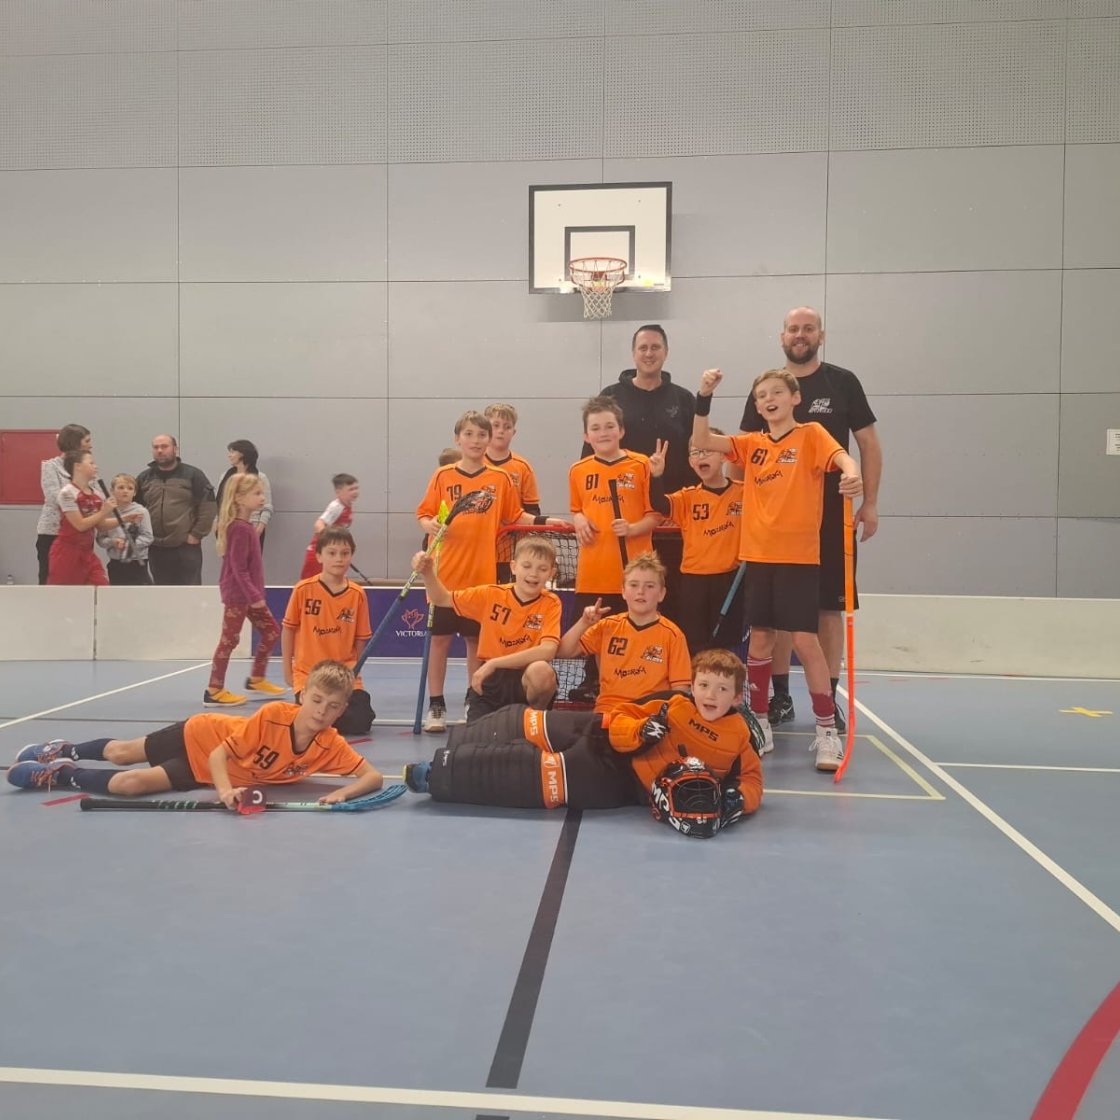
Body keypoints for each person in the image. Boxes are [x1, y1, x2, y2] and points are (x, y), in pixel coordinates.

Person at [402, 649, 762, 838]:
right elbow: (621, 714)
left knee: (533, 774)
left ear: (736, 698)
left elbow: (752, 781)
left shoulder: (739, 738)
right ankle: (461, 740)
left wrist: (737, 800)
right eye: (704, 685)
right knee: (529, 723)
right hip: (604, 739)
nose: (710, 695)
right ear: (693, 685)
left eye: (722, 689)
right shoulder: (674, 704)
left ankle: (437, 775)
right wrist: (638, 731)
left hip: (618, 781)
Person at [694, 367, 862, 771]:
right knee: (761, 640)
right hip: (758, 556)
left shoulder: (811, 435)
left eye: (776, 393)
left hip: (798, 557)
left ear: (795, 398)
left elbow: (843, 458)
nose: (768, 400)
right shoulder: (751, 444)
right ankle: (761, 723)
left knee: (805, 641)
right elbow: (701, 441)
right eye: (761, 396)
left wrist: (852, 474)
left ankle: (826, 731)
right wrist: (704, 396)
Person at [738, 307, 882, 731]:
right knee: (778, 617)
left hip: (832, 515)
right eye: (793, 329)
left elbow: (868, 445)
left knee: (827, 610)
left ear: (821, 335)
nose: (800, 335)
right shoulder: (766, 389)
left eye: (808, 329)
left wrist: (870, 502)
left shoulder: (843, 382)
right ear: (781, 336)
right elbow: (745, 453)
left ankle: (828, 699)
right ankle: (780, 697)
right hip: (779, 523)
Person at [8, 661, 384, 809]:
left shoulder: (331, 743)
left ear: (341, 711)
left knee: (129, 784)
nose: (321, 711)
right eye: (316, 700)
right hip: (202, 737)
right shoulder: (272, 716)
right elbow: (220, 754)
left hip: (206, 772)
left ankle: (60, 774)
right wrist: (225, 793)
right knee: (122, 753)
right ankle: (68, 749)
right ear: (303, 696)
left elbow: (373, 776)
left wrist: (343, 793)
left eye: (332, 707)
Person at [416, 410, 565, 733]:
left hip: (480, 576)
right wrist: (430, 525)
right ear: (458, 439)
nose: (475, 440)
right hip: (445, 574)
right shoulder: (443, 476)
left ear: (489, 439)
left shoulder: (499, 479)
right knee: (440, 641)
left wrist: (545, 521)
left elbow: (516, 515)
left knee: (475, 642)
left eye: (481, 435)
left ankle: (473, 696)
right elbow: (424, 514)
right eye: (469, 434)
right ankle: (436, 704)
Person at [412, 534, 562, 722]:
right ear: (513, 567)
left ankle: (535, 721)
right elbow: (441, 599)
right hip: (491, 680)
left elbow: (548, 650)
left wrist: (494, 663)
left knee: (541, 671)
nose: (533, 574)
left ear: (551, 573)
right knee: (476, 737)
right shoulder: (490, 594)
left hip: (524, 678)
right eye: (527, 566)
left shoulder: (551, 603)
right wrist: (427, 573)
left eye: (542, 569)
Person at [556, 551, 690, 713]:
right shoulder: (607, 626)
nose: (641, 591)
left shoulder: (673, 635)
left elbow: (680, 691)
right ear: (623, 592)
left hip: (648, 715)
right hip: (607, 712)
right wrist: (583, 623)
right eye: (634, 585)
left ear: (661, 594)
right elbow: (563, 652)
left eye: (649, 586)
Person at [569, 396, 662, 621]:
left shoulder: (641, 464)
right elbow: (576, 508)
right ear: (586, 436)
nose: (603, 433)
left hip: (635, 578)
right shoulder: (578, 470)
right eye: (595, 428)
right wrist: (578, 518)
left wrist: (631, 529)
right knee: (590, 639)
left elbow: (655, 515)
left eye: (609, 426)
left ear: (621, 431)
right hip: (593, 575)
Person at [656, 430, 745, 655]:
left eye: (707, 451)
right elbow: (659, 504)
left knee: (726, 648)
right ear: (690, 462)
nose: (701, 457)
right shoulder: (687, 497)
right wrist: (656, 476)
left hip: (730, 581)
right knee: (695, 645)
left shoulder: (744, 493)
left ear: (724, 455)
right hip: (694, 582)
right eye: (695, 453)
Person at [282, 527, 375, 735]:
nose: (339, 559)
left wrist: (354, 675)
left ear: (351, 556)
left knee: (361, 721)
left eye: (345, 553)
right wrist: (288, 671)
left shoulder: (357, 594)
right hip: (309, 675)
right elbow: (288, 630)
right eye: (332, 553)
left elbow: (361, 640)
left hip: (344, 675)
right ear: (319, 556)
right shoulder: (303, 589)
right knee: (311, 717)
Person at [582, 324, 695, 493]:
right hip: (620, 498)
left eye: (655, 347)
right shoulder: (610, 396)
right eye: (643, 348)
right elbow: (591, 450)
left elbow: (696, 451)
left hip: (673, 500)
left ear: (666, 352)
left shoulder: (684, 399)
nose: (649, 353)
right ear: (633, 353)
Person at [204, 473, 284, 707]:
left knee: (271, 630)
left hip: (247, 594)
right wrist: (254, 595)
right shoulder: (239, 528)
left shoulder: (246, 527)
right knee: (229, 640)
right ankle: (214, 690)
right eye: (257, 493)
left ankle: (257, 678)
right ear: (239, 498)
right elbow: (238, 569)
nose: (262, 498)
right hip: (238, 595)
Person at [135, 434, 217, 586]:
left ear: (175, 449)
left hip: (186, 547)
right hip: (156, 548)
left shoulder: (193, 475)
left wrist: (196, 534)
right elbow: (134, 508)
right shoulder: (144, 477)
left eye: (164, 446)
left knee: (190, 594)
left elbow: (209, 505)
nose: (160, 450)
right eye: (156, 447)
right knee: (163, 593)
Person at [46, 449, 117, 587]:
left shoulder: (96, 494)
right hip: (67, 552)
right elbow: (80, 525)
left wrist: (125, 519)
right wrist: (104, 511)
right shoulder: (67, 493)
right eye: (91, 463)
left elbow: (101, 525)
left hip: (87, 552)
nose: (95, 466)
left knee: (102, 588)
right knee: (65, 594)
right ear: (78, 466)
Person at [35, 423, 91, 584]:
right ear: (75, 442)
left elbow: (95, 496)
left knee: (79, 579)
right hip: (53, 533)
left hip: (81, 534)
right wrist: (82, 499)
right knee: (50, 578)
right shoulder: (50, 466)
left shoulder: (88, 467)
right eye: (87, 441)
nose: (91, 445)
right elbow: (54, 497)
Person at [96, 473, 154, 585]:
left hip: (137, 562)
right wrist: (113, 542)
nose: (125, 491)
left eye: (130, 488)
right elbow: (101, 539)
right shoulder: (107, 512)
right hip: (116, 563)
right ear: (112, 491)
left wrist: (129, 544)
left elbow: (148, 537)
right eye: (121, 487)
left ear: (135, 493)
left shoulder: (141, 511)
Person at [299, 473, 359, 581]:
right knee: (311, 585)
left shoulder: (347, 506)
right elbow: (318, 525)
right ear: (338, 492)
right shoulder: (336, 507)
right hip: (318, 554)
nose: (355, 492)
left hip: (331, 553)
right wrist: (332, 540)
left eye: (356, 488)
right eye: (350, 489)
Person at [484, 403, 541, 514]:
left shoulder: (523, 467)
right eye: (496, 425)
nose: (501, 431)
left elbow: (532, 509)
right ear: (486, 428)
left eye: (507, 427)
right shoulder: (473, 463)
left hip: (513, 525)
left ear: (513, 432)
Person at [215, 440, 273, 550]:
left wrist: (260, 528)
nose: (229, 455)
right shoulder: (225, 476)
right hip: (227, 527)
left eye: (232, 452)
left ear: (243, 454)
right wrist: (217, 524)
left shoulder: (260, 477)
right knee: (231, 559)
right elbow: (219, 502)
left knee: (251, 559)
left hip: (253, 526)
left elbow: (267, 506)